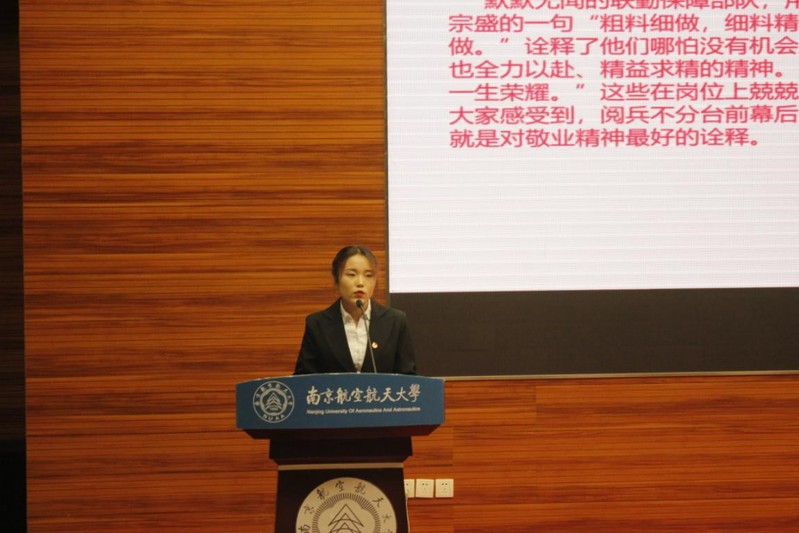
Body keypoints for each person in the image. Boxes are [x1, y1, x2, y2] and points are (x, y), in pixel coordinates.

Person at [293, 245, 417, 375]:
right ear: (336, 280)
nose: (360, 283)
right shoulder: (317, 324)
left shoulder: (395, 321)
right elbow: (304, 379)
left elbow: (408, 377)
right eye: (351, 274)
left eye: (368, 275)